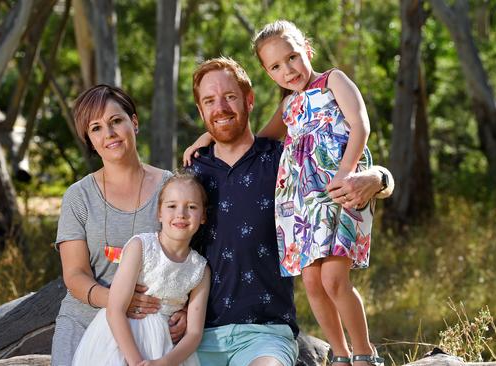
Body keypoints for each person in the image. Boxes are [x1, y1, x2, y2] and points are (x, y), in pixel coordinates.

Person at [184, 55, 393, 366]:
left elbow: (333, 162)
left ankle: (360, 354)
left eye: (230, 97)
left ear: (249, 100)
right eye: (210, 101)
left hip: (266, 331)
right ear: (200, 110)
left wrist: (378, 178)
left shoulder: (283, 161)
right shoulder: (192, 171)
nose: (221, 108)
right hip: (198, 332)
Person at [51, 85, 187, 366]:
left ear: (133, 123)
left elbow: (189, 262)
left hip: (149, 324)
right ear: (89, 139)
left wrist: (187, 310)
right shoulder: (79, 196)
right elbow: (75, 275)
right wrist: (119, 300)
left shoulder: (170, 188)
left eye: (116, 121)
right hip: (85, 318)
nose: (109, 134)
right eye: (96, 128)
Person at [72, 172, 211, 366]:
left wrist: (164, 362)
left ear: (203, 216)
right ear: (159, 213)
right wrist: (136, 362)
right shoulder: (140, 247)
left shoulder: (200, 270)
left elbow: (194, 334)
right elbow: (115, 309)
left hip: (167, 351)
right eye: (172, 206)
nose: (181, 213)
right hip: (122, 343)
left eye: (192, 207)